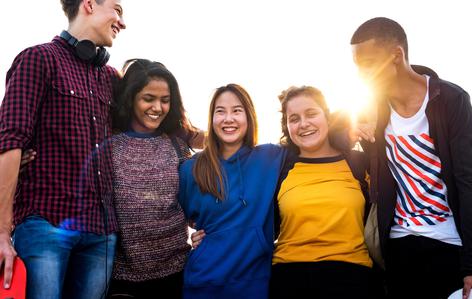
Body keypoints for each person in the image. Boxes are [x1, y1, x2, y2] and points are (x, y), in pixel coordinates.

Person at [0, 0, 126, 298]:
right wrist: (3, 232)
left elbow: (154, 118)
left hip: (101, 232)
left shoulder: (111, 78)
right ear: (89, 4)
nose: (122, 22)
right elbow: (9, 141)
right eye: (118, 10)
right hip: (46, 225)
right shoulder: (38, 59)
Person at [350, 17, 472, 299]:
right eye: (357, 66)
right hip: (397, 247)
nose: (362, 74)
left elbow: (470, 182)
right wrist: (352, 130)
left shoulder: (451, 100)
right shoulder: (372, 108)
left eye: (369, 64)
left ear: (396, 56)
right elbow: (336, 132)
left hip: (449, 244)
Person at [178, 84, 289, 299]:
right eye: (220, 111)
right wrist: (196, 236)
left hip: (254, 283)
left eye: (237, 111)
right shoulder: (191, 169)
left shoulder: (271, 158)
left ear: (249, 117)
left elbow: (307, 134)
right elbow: (177, 218)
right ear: (212, 119)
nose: (228, 118)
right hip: (203, 283)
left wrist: (347, 127)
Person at [269, 86, 374, 299]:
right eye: (294, 118)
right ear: (287, 126)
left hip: (354, 277)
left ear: (327, 117)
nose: (304, 124)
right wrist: (207, 228)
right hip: (289, 278)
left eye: (311, 114)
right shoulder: (278, 167)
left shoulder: (359, 163)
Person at [107, 59, 194, 298]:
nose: (158, 107)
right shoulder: (109, 145)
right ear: (131, 98)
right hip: (121, 280)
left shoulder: (178, 146)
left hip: (176, 275)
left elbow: (195, 204)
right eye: (149, 98)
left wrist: (205, 228)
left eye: (165, 100)